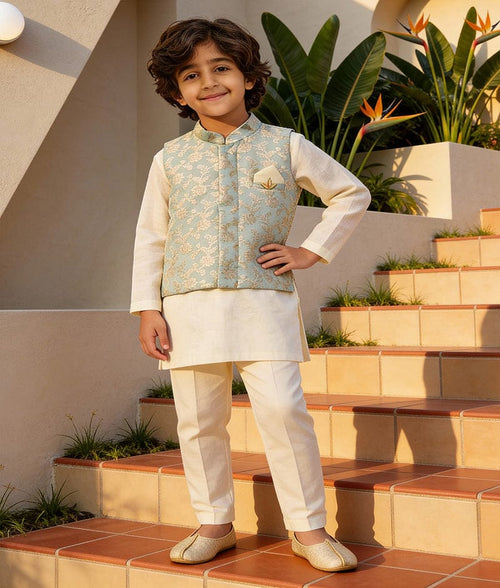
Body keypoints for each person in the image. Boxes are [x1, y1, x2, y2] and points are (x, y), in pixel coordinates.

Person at [131, 17, 370, 572]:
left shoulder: (285, 145)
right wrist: (147, 308)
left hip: (264, 300)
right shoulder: (169, 159)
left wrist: (310, 251)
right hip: (188, 306)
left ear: (248, 77)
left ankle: (309, 529)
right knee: (198, 419)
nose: (208, 82)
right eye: (191, 75)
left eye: (220, 68)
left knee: (284, 410)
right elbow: (151, 235)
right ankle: (214, 523)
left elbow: (350, 193)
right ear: (177, 92)